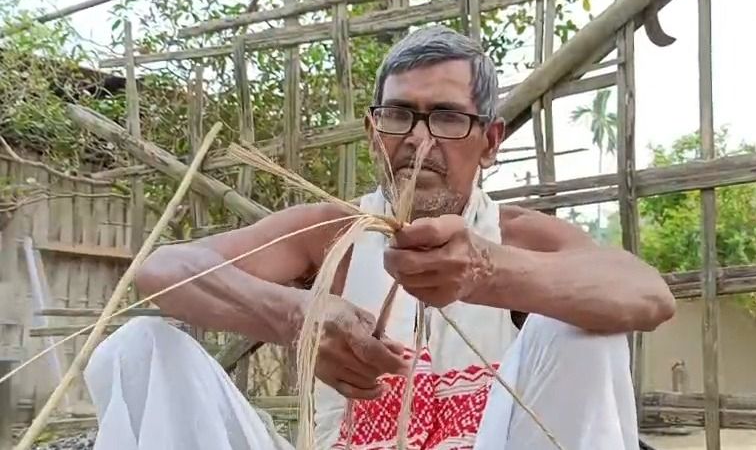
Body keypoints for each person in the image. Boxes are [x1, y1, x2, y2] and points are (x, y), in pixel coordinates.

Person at [83, 25, 675, 450]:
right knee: (136, 349)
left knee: (584, 329)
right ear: (373, 131)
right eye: (399, 116)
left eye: (447, 117)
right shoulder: (331, 234)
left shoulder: (514, 236)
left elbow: (646, 293)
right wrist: (297, 316)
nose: (419, 141)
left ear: (490, 142)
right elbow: (161, 270)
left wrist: (488, 270)